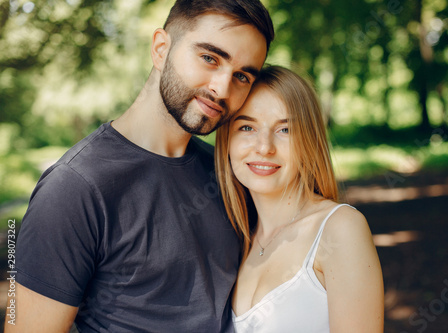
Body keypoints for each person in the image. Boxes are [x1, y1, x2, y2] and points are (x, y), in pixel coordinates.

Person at [7, 1, 274, 332]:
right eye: (209, 58)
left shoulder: (232, 175)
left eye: (242, 76)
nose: (222, 88)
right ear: (161, 49)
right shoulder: (74, 188)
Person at [215, 65, 384, 332]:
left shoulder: (339, 229)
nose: (264, 147)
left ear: (309, 140)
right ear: (226, 140)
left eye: (285, 130)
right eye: (247, 127)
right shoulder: (234, 238)